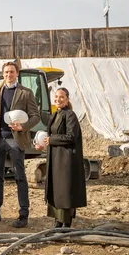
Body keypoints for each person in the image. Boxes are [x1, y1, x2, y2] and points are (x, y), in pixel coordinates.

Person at [0, 61, 40, 228]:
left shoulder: (25, 93)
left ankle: (23, 214)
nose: (8, 75)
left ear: (17, 73)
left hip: (15, 139)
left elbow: (36, 116)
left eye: (11, 72)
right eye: (6, 72)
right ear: (3, 74)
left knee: (20, 177)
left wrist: (23, 126)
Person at [36, 87, 87, 228]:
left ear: (67, 99)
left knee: (65, 190)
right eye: (56, 97)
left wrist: (51, 140)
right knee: (56, 189)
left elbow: (71, 137)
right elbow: (49, 136)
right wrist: (42, 144)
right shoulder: (55, 115)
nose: (58, 99)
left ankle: (66, 222)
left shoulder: (70, 115)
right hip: (55, 158)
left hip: (65, 159)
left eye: (61, 97)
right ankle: (57, 221)